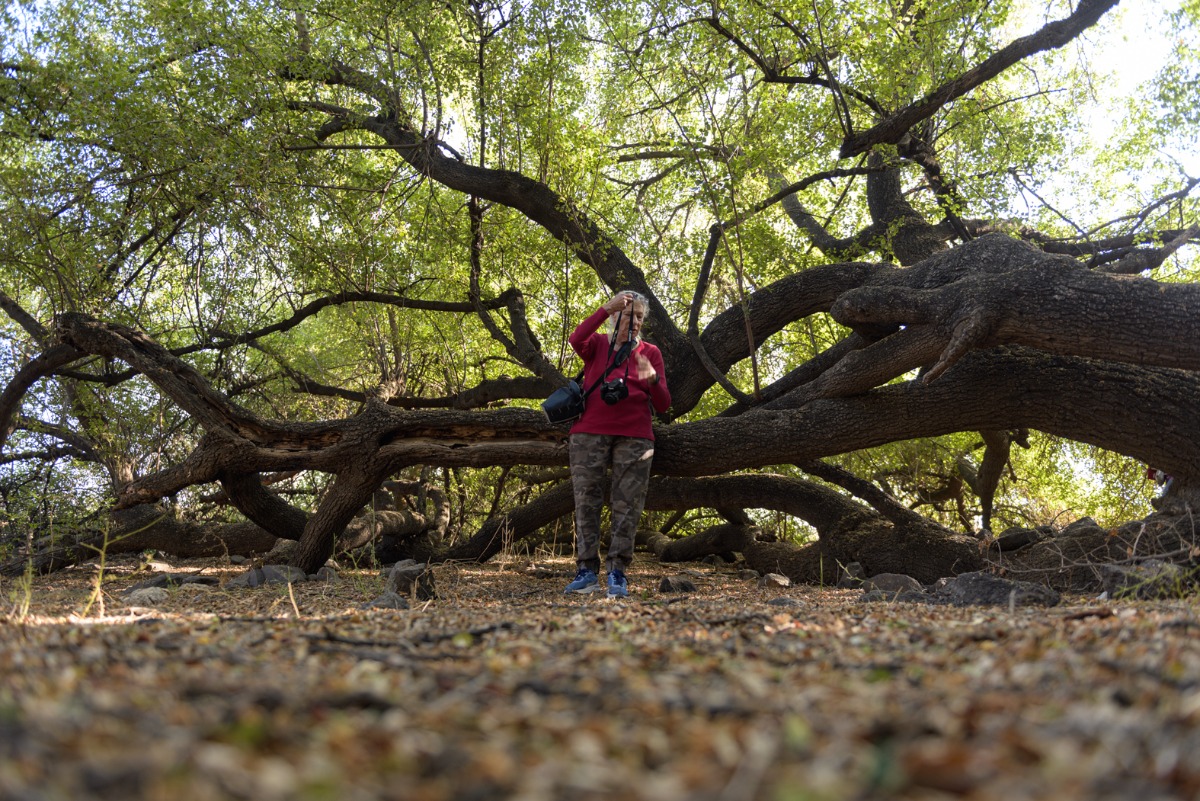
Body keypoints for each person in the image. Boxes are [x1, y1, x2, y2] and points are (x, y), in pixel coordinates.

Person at [563, 290, 671, 598]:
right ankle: (585, 572)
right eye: (628, 314)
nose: (635, 321)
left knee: (628, 506)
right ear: (615, 317)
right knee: (586, 501)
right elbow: (575, 339)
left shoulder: (650, 352)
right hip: (589, 432)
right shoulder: (598, 345)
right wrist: (604, 309)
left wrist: (651, 379)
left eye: (639, 316)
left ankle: (617, 573)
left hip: (636, 435)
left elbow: (663, 404)